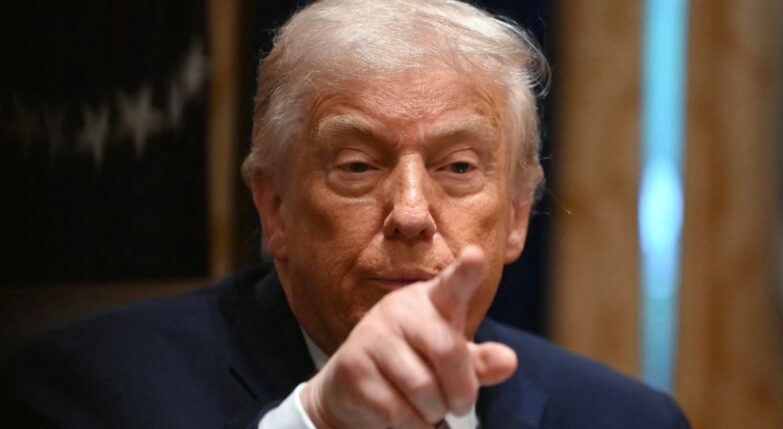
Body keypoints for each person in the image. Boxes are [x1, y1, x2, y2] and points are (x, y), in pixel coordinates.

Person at [2, 0, 690, 428]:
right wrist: (317, 422)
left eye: (457, 168)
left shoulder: (626, 418)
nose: (412, 214)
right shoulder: (87, 390)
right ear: (273, 207)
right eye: (358, 166)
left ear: (514, 215)